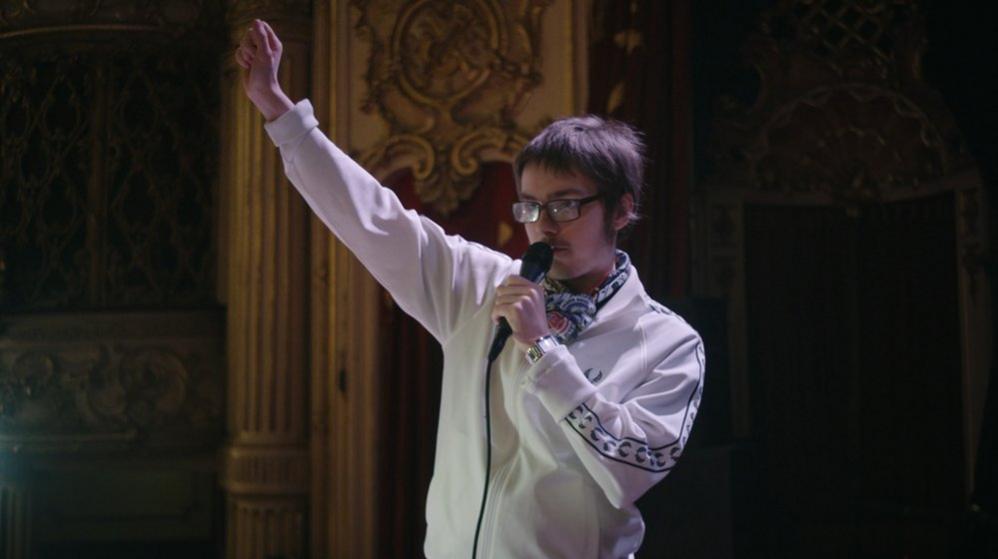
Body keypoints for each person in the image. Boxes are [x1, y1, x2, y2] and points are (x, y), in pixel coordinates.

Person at [236, 19, 704, 559]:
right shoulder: (482, 285)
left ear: (622, 209)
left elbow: (628, 473)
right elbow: (376, 220)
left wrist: (542, 349)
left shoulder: (668, 341)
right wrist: (279, 111)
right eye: (530, 206)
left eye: (566, 204)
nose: (544, 225)